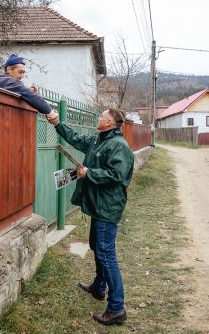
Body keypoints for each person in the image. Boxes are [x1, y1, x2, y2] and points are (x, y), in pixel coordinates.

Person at [47, 108, 134, 326]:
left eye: (102, 117)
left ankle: (117, 308)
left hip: (107, 208)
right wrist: (57, 124)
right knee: (97, 246)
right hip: (98, 206)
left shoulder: (119, 146)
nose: (99, 119)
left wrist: (90, 173)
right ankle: (98, 287)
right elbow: (76, 138)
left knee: (106, 254)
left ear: (112, 122)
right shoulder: (98, 141)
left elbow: (118, 176)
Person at [0, 54, 57, 121]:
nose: (22, 76)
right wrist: (49, 111)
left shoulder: (5, 83)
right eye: (20, 72)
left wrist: (26, 90)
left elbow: (22, 91)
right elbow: (26, 93)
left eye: (23, 73)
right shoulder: (4, 81)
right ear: (9, 70)